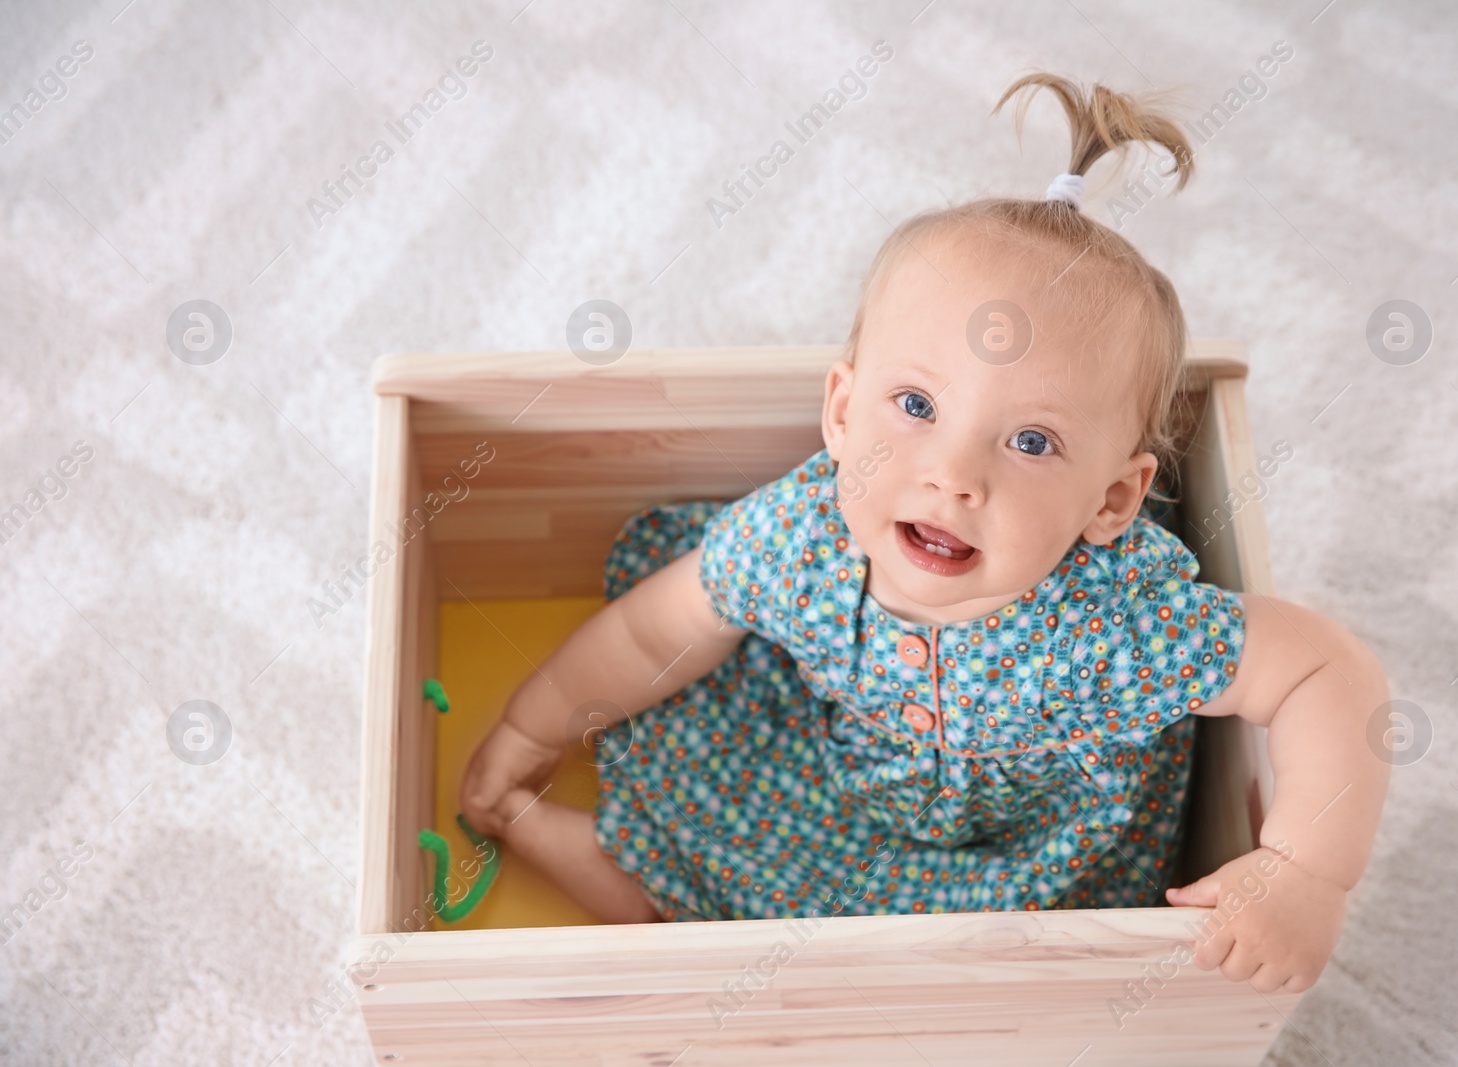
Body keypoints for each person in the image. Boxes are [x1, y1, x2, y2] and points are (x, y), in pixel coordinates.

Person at [460, 73, 1389, 996]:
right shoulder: (808, 536)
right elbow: (652, 632)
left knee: (1037, 990)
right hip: (824, 792)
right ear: (841, 410)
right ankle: (519, 812)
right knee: (694, 923)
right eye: (915, 405)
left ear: (1112, 499)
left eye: (1031, 440)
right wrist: (530, 724)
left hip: (1031, 859)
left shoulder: (1116, 623)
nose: (954, 475)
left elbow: (1325, 669)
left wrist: (1306, 870)